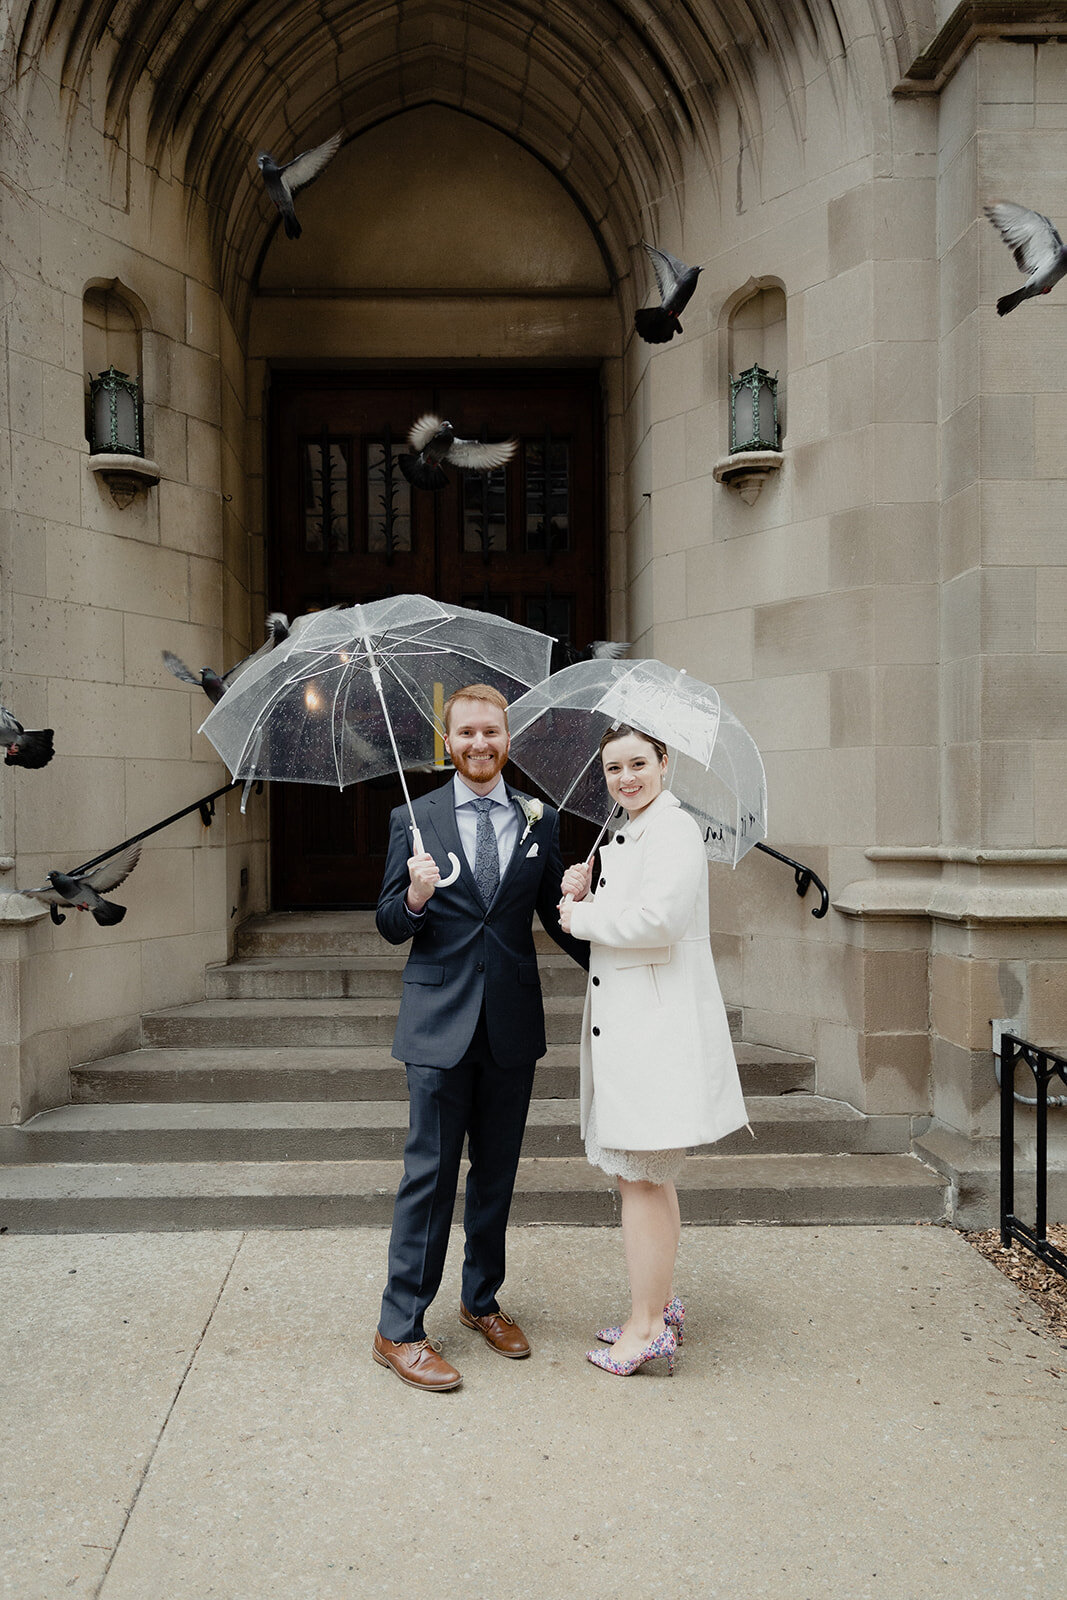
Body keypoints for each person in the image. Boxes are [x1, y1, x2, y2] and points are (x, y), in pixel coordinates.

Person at [373, 682, 589, 1392]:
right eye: (465, 732)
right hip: (436, 1026)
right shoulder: (413, 816)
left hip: (510, 1026)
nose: (478, 743)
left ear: (506, 738)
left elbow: (557, 917)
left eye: (490, 732)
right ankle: (398, 1327)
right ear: (448, 741)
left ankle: (480, 1301)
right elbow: (387, 924)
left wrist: (607, 943)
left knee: (495, 1175)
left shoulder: (540, 819)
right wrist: (413, 897)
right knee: (429, 1179)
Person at [559, 724, 749, 1377]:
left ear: (664, 762)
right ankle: (660, 1305)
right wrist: (587, 888)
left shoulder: (670, 828)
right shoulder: (635, 829)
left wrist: (580, 919)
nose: (626, 777)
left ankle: (643, 1329)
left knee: (638, 1179)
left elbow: (658, 922)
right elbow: (637, 906)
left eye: (638, 762)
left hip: (653, 1040)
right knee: (647, 1176)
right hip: (639, 1036)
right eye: (614, 767)